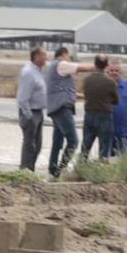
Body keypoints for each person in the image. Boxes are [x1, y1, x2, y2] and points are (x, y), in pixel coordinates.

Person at [44, 45, 96, 177]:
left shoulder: (52, 68)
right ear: (63, 54)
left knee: (58, 141)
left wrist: (81, 96)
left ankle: (53, 168)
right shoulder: (61, 64)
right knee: (73, 140)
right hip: (61, 108)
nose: (69, 59)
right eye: (68, 57)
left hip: (55, 108)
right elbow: (82, 68)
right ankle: (61, 169)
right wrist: (99, 66)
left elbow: (62, 89)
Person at [80, 54, 119, 161]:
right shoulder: (110, 82)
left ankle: (81, 167)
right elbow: (116, 100)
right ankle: (100, 168)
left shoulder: (87, 80)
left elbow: (86, 94)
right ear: (106, 65)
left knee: (85, 146)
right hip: (105, 115)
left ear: (95, 64)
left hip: (89, 114)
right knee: (104, 148)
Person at [16, 46, 48, 171]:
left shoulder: (38, 71)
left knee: (37, 145)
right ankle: (25, 170)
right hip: (30, 112)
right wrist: (28, 116)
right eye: (44, 55)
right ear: (36, 57)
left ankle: (30, 169)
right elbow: (22, 97)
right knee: (29, 145)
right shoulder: (28, 72)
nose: (46, 58)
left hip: (38, 112)